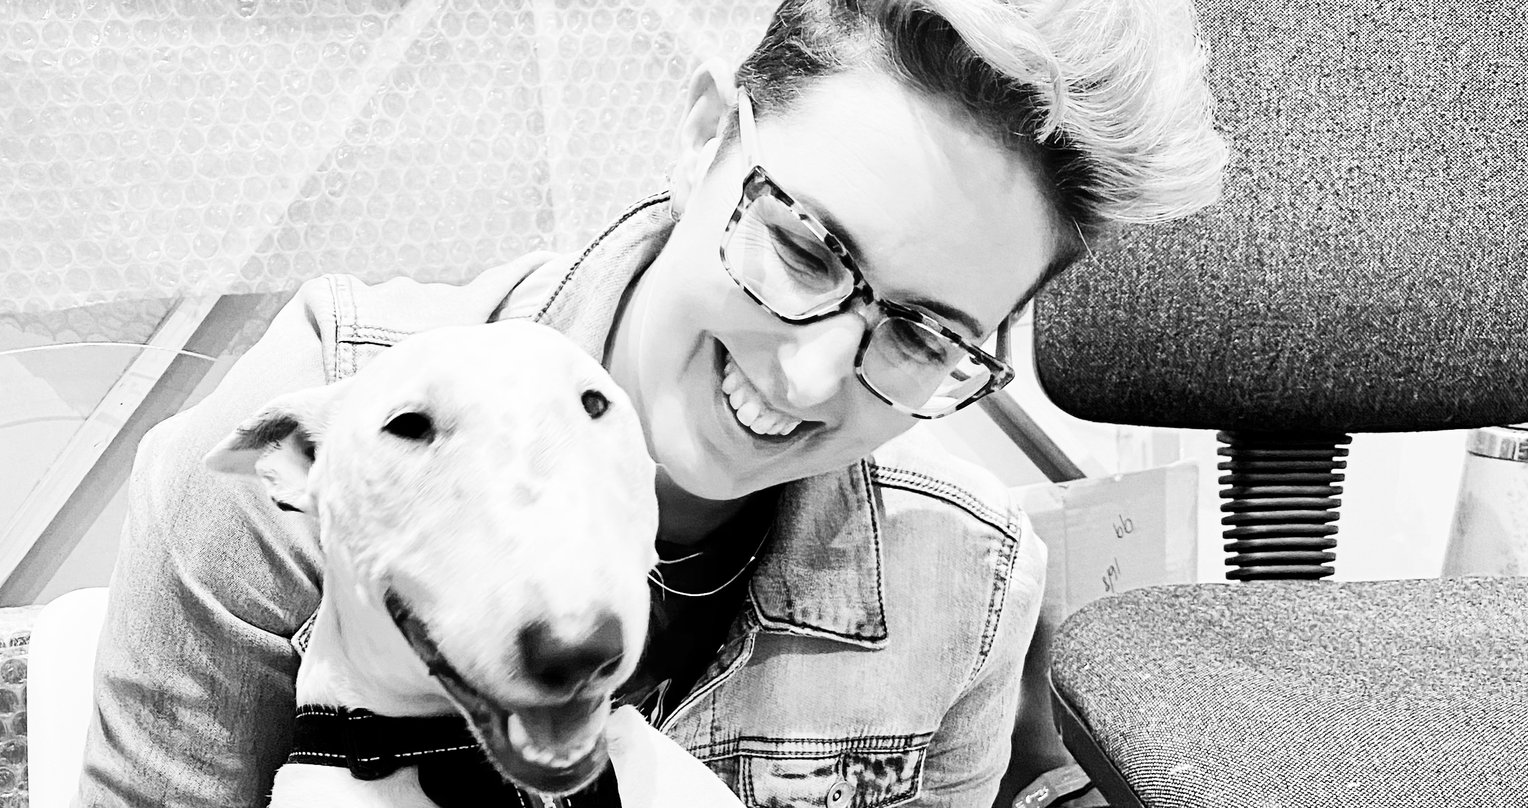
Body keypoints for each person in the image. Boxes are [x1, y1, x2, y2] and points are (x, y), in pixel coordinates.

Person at [77, 0, 1225, 805]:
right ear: (706, 139)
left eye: (924, 334)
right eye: (804, 246)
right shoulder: (307, 448)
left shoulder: (966, 588)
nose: (810, 376)